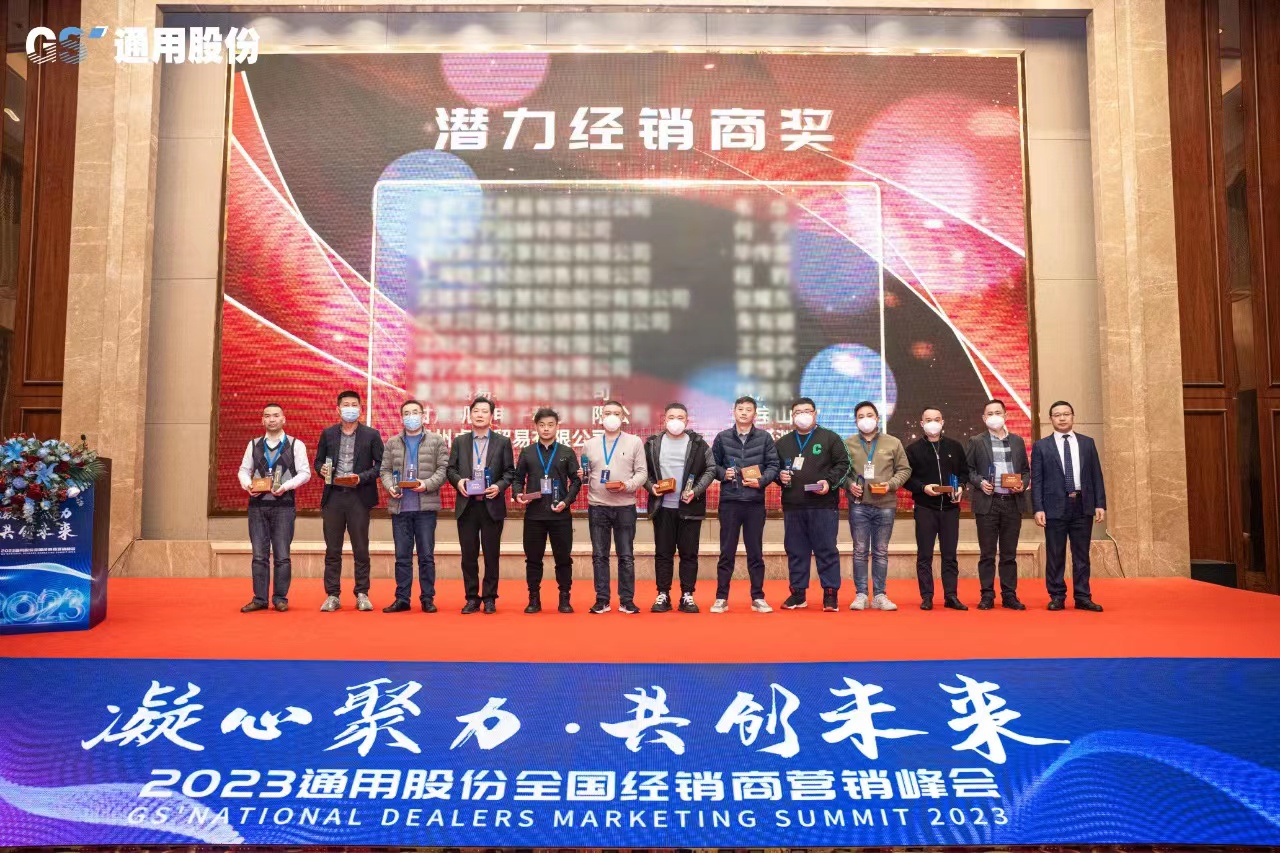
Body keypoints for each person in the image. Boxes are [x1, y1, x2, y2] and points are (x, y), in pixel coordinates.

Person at [775, 398, 851, 612]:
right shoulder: (783, 442)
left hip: (823, 505)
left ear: (816, 413)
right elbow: (773, 469)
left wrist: (829, 482)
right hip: (793, 505)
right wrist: (780, 477)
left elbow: (844, 464)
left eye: (807, 411)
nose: (803, 415)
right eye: (798, 412)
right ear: (792, 416)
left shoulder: (830, 438)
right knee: (796, 551)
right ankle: (798, 594)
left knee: (826, 549)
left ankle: (830, 594)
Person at [1032, 400, 1106, 612]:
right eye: (1057, 415)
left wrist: (1100, 503)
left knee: (1081, 555)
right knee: (1055, 554)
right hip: (1054, 507)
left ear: (1073, 416)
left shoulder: (1087, 443)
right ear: (1051, 419)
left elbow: (1096, 475)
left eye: (1066, 414)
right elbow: (1037, 480)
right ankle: (1057, 596)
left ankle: (1083, 596)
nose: (1062, 418)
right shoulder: (1041, 446)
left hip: (1082, 505)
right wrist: (1038, 508)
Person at [236, 403, 311, 612]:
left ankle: (280, 598)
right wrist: (247, 484)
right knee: (259, 556)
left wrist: (285, 486)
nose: (271, 419)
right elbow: (243, 470)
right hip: (257, 507)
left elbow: (305, 473)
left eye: (276, 415)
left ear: (283, 419)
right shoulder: (253, 444)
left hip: (284, 507)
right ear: (262, 420)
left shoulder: (296, 444)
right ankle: (260, 599)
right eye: (267, 416)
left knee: (282, 556)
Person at [314, 390, 383, 612]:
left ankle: (362, 593)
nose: (350, 408)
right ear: (338, 409)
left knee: (361, 548)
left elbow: (381, 465)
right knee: (332, 549)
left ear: (360, 409)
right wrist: (321, 469)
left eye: (354, 405)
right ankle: (332, 595)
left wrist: (360, 477)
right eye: (346, 405)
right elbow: (317, 462)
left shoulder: (371, 435)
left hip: (358, 497)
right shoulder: (328, 434)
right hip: (333, 496)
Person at [643, 403, 716, 613]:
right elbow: (642, 471)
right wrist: (651, 486)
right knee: (663, 553)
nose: (675, 421)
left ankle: (687, 595)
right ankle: (662, 595)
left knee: (689, 554)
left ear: (687, 421)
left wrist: (696, 490)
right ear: (664, 420)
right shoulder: (652, 443)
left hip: (690, 508)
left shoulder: (699, 444)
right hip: (662, 508)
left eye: (680, 417)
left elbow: (711, 469)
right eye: (671, 417)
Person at [710, 396, 781, 613]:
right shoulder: (722, 437)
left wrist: (761, 481)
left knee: (755, 553)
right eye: (740, 409)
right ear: (734, 412)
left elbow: (773, 465)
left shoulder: (764, 437)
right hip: (729, 503)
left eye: (748, 409)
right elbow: (712, 465)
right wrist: (723, 473)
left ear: (755, 414)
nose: (743, 412)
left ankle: (758, 597)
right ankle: (721, 598)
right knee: (726, 553)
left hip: (754, 503)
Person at [446, 396, 516, 614]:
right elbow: (451, 469)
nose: (480, 415)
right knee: (468, 556)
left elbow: (510, 472)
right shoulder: (460, 441)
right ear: (470, 415)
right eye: (476, 411)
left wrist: (499, 486)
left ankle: (490, 597)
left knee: (491, 555)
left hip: (491, 505)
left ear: (491, 416)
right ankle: (471, 598)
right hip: (467, 505)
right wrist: (459, 482)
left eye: (484, 411)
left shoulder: (502, 442)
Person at [379, 399, 448, 614]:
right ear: (401, 417)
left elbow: (443, 469)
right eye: (407, 413)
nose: (411, 417)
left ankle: (427, 598)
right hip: (400, 508)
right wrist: (390, 486)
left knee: (426, 556)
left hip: (425, 509)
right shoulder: (392, 442)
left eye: (415, 412)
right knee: (402, 557)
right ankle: (402, 598)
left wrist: (426, 484)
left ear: (423, 416)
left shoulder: (436, 441)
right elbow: (385, 470)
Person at [513, 407, 582, 614]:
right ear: (535, 427)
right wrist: (518, 493)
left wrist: (566, 502)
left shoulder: (566, 452)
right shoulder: (527, 452)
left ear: (557, 427)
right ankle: (534, 599)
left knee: (563, 559)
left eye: (550, 425)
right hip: (534, 515)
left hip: (560, 515)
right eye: (542, 425)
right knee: (533, 559)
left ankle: (564, 598)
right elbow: (518, 479)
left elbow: (576, 481)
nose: (546, 429)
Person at [582, 399, 648, 614]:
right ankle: (602, 599)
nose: (612, 416)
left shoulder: (634, 442)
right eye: (607, 413)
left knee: (626, 556)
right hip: (597, 506)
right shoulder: (590, 444)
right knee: (599, 555)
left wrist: (626, 486)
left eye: (616, 413)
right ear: (601, 417)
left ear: (623, 417)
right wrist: (581, 475)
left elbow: (642, 473)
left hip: (625, 507)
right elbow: (585, 475)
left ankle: (627, 600)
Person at [844, 401, 911, 612]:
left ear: (877, 418)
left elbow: (904, 470)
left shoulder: (893, 443)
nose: (866, 419)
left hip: (885, 505)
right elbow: (841, 472)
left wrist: (890, 485)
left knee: (881, 551)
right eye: (861, 416)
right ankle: (861, 594)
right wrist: (849, 485)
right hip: (859, 505)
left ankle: (880, 595)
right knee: (860, 551)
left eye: (869, 415)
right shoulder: (847, 444)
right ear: (856, 421)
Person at [965, 399, 1031, 610]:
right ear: (984, 418)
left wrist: (1023, 484)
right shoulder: (976, 441)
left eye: (998, 412)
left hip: (1012, 503)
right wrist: (980, 482)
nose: (994, 417)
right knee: (987, 554)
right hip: (988, 504)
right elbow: (968, 470)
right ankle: (987, 595)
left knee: (1009, 554)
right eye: (990, 413)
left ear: (1005, 415)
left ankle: (1009, 595)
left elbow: (1026, 471)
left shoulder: (1017, 441)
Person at [904, 407, 969, 610]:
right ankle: (927, 596)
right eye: (928, 419)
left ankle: (951, 596)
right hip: (925, 508)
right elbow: (907, 478)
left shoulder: (955, 447)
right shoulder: (913, 450)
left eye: (937, 419)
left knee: (950, 555)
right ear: (922, 423)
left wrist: (961, 486)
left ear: (943, 422)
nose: (933, 423)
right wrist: (923, 487)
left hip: (950, 509)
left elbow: (964, 472)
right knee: (925, 555)